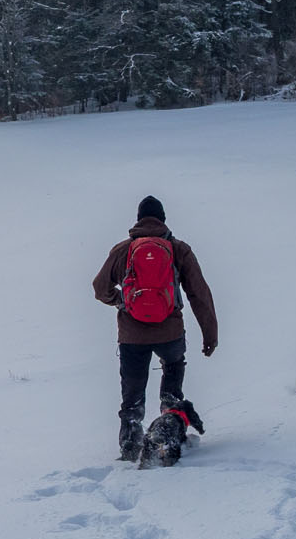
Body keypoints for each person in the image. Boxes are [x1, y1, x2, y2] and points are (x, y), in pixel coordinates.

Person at [92, 195, 218, 461]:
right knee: (172, 389)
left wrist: (122, 301)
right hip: (170, 332)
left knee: (132, 397)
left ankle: (129, 449)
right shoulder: (178, 249)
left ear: (138, 219)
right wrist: (210, 334)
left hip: (132, 336)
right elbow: (199, 294)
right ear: (163, 219)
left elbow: (99, 288)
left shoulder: (123, 250)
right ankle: (168, 443)